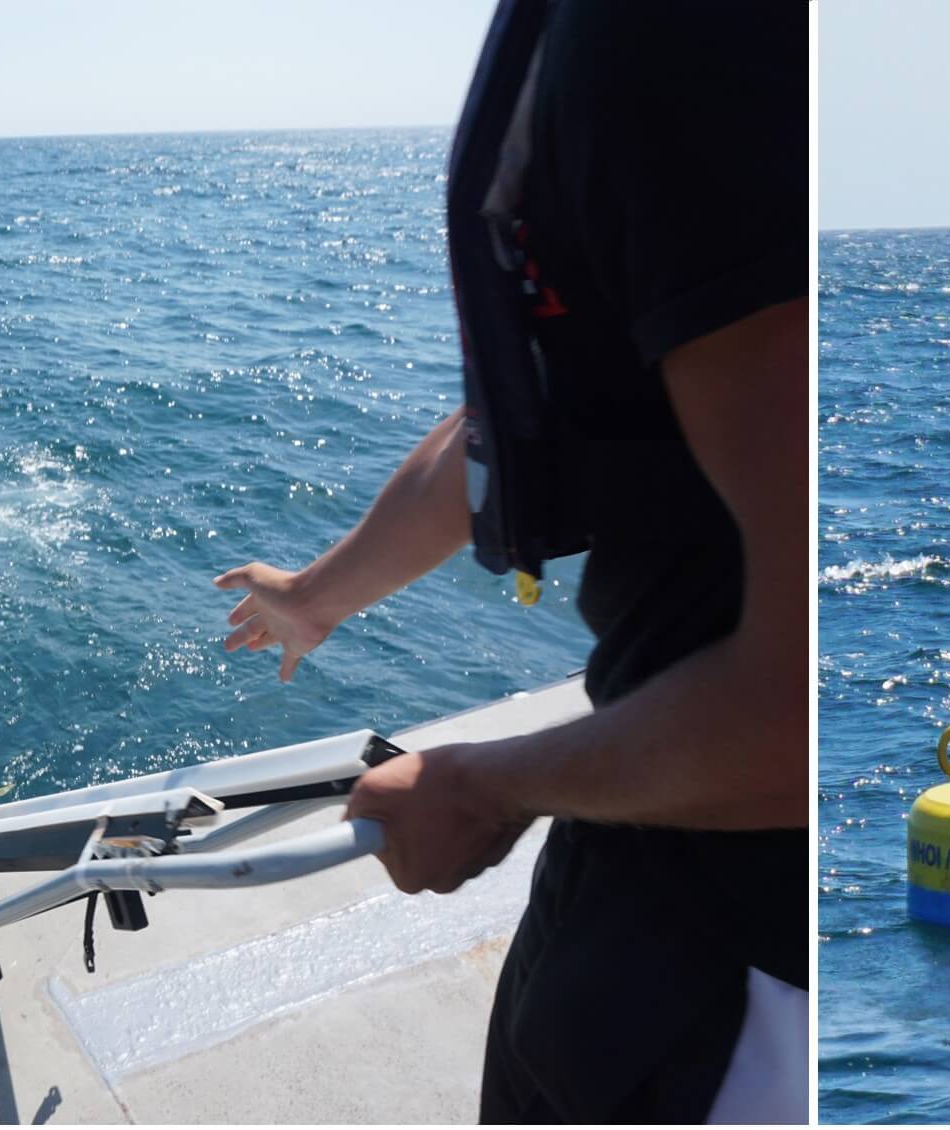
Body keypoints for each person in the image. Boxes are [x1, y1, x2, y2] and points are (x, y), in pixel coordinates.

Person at [214, 1, 806, 1122]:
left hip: (752, 973)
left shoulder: (699, 43)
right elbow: (538, 390)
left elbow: (795, 715)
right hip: (638, 869)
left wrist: (475, 782)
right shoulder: (601, 37)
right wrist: (313, 596)